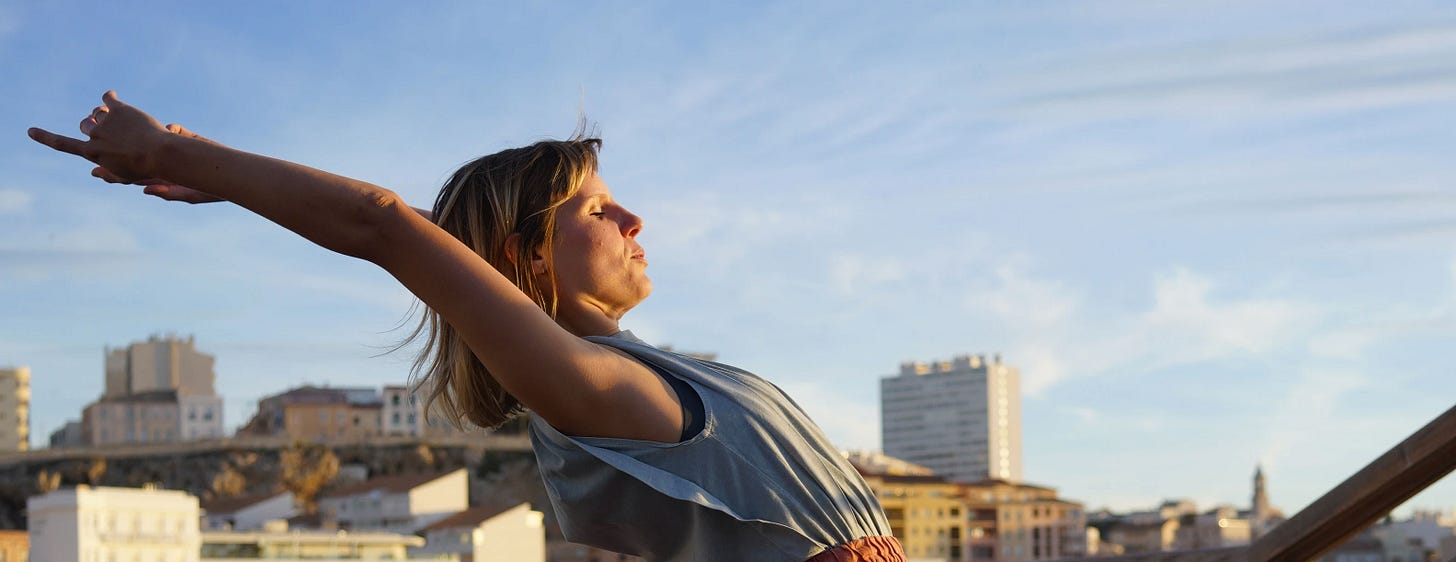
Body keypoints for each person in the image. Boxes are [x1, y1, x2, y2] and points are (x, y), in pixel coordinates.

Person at [30, 92, 906, 562]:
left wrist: (229, 176)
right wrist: (181, 155)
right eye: (598, 210)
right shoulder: (595, 395)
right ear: (527, 258)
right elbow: (381, 224)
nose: (635, 218)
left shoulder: (659, 381)